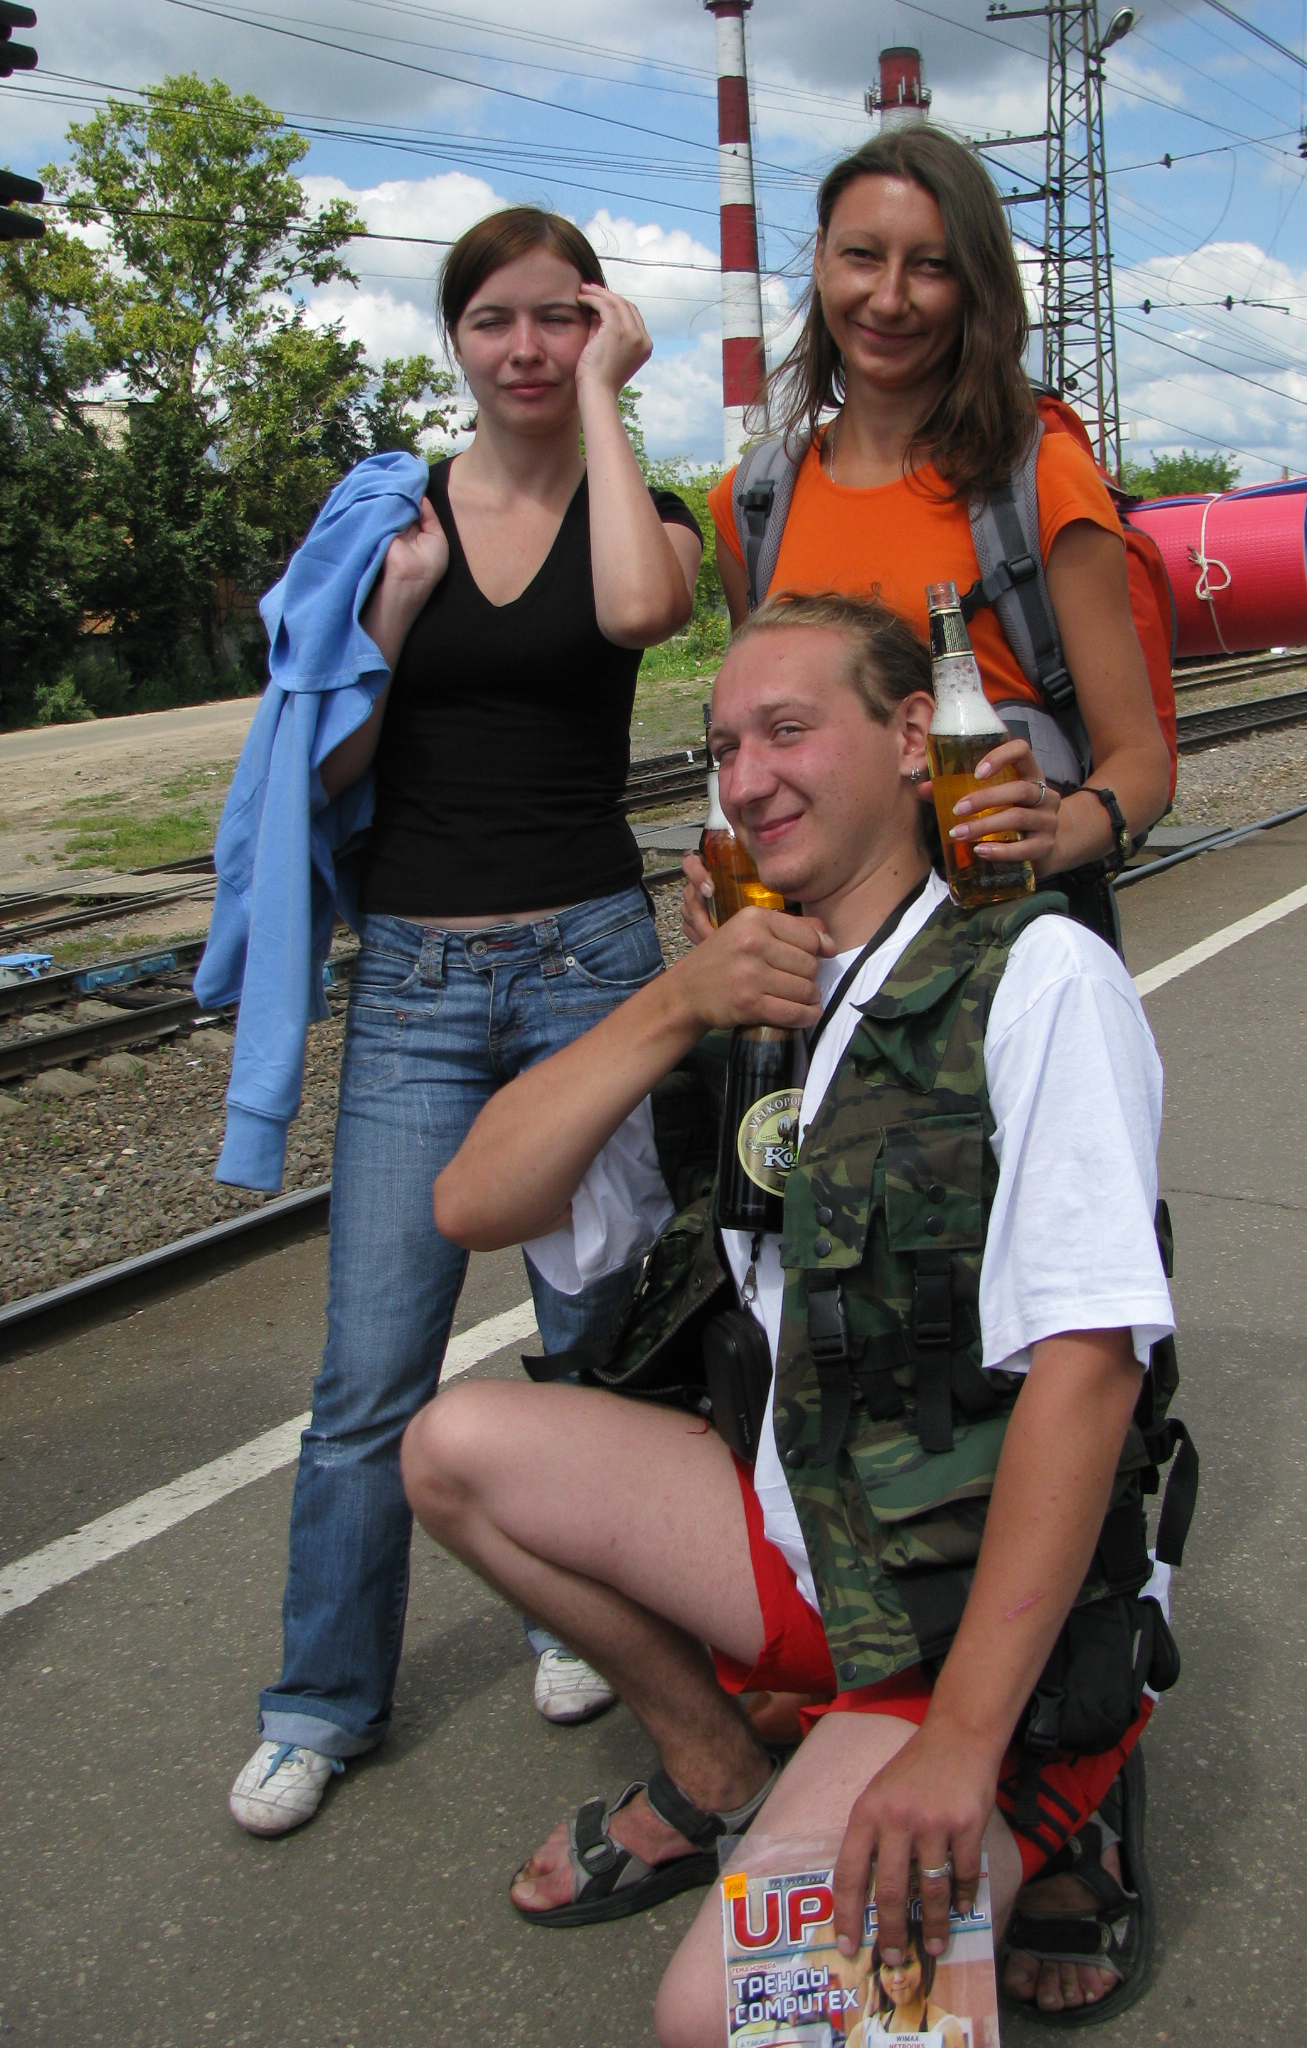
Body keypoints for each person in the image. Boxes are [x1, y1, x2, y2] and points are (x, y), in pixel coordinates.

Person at [402, 592, 1177, 2031]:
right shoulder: (743, 1004)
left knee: (725, 2016)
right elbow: (474, 1201)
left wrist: (957, 1743)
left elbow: (1091, 1371)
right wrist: (670, 1007)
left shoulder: (1038, 973)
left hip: (953, 1607)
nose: (747, 778)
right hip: (808, 1528)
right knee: (451, 1449)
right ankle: (722, 1771)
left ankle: (1055, 1776)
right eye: (723, 748)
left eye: (786, 731)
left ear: (910, 739)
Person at [227, 205, 704, 1837]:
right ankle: (319, 1701)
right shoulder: (391, 523)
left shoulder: (640, 505)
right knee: (372, 1369)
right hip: (418, 988)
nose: (525, 347)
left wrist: (609, 406)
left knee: (599, 1340)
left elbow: (641, 614)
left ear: (600, 327)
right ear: (455, 337)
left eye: (558, 317)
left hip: (592, 971)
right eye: (494, 319)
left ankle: (580, 1619)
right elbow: (324, 768)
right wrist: (393, 614)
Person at [686, 122, 1169, 954]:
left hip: (999, 946)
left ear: (977, 285)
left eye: (932, 266)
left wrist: (1062, 829)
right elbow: (761, 747)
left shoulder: (1041, 479)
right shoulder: (754, 503)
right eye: (862, 256)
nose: (890, 298)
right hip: (828, 964)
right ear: (820, 263)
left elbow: (1141, 763)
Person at [848, 1935, 966, 2048]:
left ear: (925, 1964)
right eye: (889, 1968)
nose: (898, 1978)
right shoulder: (864, 2033)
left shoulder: (946, 2030)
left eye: (907, 1964)